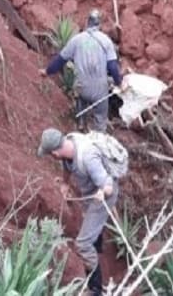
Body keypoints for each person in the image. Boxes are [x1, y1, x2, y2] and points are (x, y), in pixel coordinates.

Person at [37, 127, 123, 296]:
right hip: (91, 192)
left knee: (83, 244)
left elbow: (109, 187)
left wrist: (101, 192)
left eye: (50, 154)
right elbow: (67, 165)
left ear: (55, 152)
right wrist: (65, 183)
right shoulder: (69, 142)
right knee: (90, 231)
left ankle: (95, 289)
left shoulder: (88, 157)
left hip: (103, 195)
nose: (52, 157)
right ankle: (97, 251)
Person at [45, 9, 123, 131]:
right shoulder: (106, 41)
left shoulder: (76, 40)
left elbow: (60, 60)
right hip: (99, 90)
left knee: (80, 98)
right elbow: (112, 66)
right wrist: (119, 82)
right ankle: (98, 136)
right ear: (99, 25)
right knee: (100, 120)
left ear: (87, 23)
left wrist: (47, 72)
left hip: (82, 87)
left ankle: (81, 125)